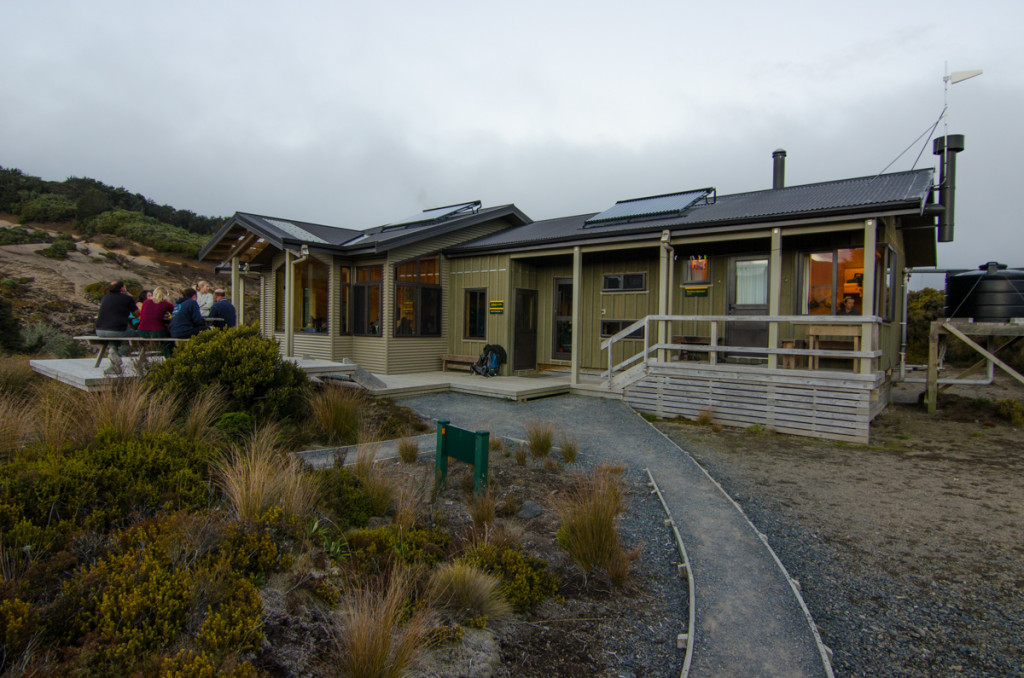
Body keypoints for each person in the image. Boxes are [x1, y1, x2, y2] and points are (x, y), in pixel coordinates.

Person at [94, 280, 138, 372]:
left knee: (114, 339)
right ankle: (118, 354)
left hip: (99, 330)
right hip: (116, 330)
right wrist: (131, 299)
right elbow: (137, 314)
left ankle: (115, 367)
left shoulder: (105, 298)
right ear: (122, 288)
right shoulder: (127, 298)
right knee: (140, 336)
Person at [139, 286, 175, 356]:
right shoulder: (167, 304)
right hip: (157, 331)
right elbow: (174, 314)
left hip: (142, 331)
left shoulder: (146, 302)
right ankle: (170, 357)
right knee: (168, 340)